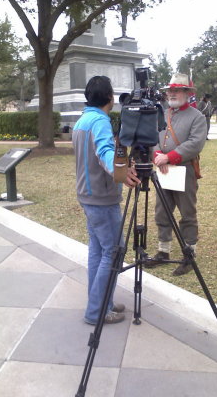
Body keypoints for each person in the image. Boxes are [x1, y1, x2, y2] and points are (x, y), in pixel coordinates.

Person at [72, 76, 140, 325]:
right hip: (101, 199)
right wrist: (122, 172)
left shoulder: (82, 120)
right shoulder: (99, 121)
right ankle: (97, 311)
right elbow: (104, 151)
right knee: (113, 251)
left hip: (88, 196)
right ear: (110, 97)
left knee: (99, 251)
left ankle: (102, 303)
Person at [145, 73, 207, 276]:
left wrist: (169, 157)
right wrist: (156, 155)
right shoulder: (162, 114)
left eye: (176, 90)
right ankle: (163, 251)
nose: (172, 93)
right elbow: (153, 136)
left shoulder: (197, 117)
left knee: (187, 213)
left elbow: (195, 143)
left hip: (184, 169)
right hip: (163, 169)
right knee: (162, 211)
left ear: (187, 93)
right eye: (170, 90)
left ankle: (189, 254)